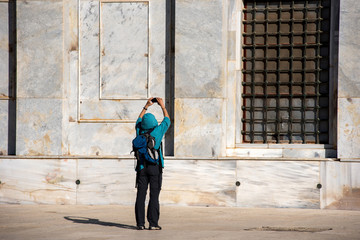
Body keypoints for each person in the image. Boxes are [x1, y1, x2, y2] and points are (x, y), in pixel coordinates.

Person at [134, 97, 170, 230]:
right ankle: (153, 223)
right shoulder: (157, 132)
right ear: (154, 123)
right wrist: (162, 106)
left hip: (141, 168)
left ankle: (140, 223)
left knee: (140, 196)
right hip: (155, 168)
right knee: (154, 196)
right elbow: (167, 121)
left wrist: (146, 106)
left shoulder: (140, 132)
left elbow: (138, 121)